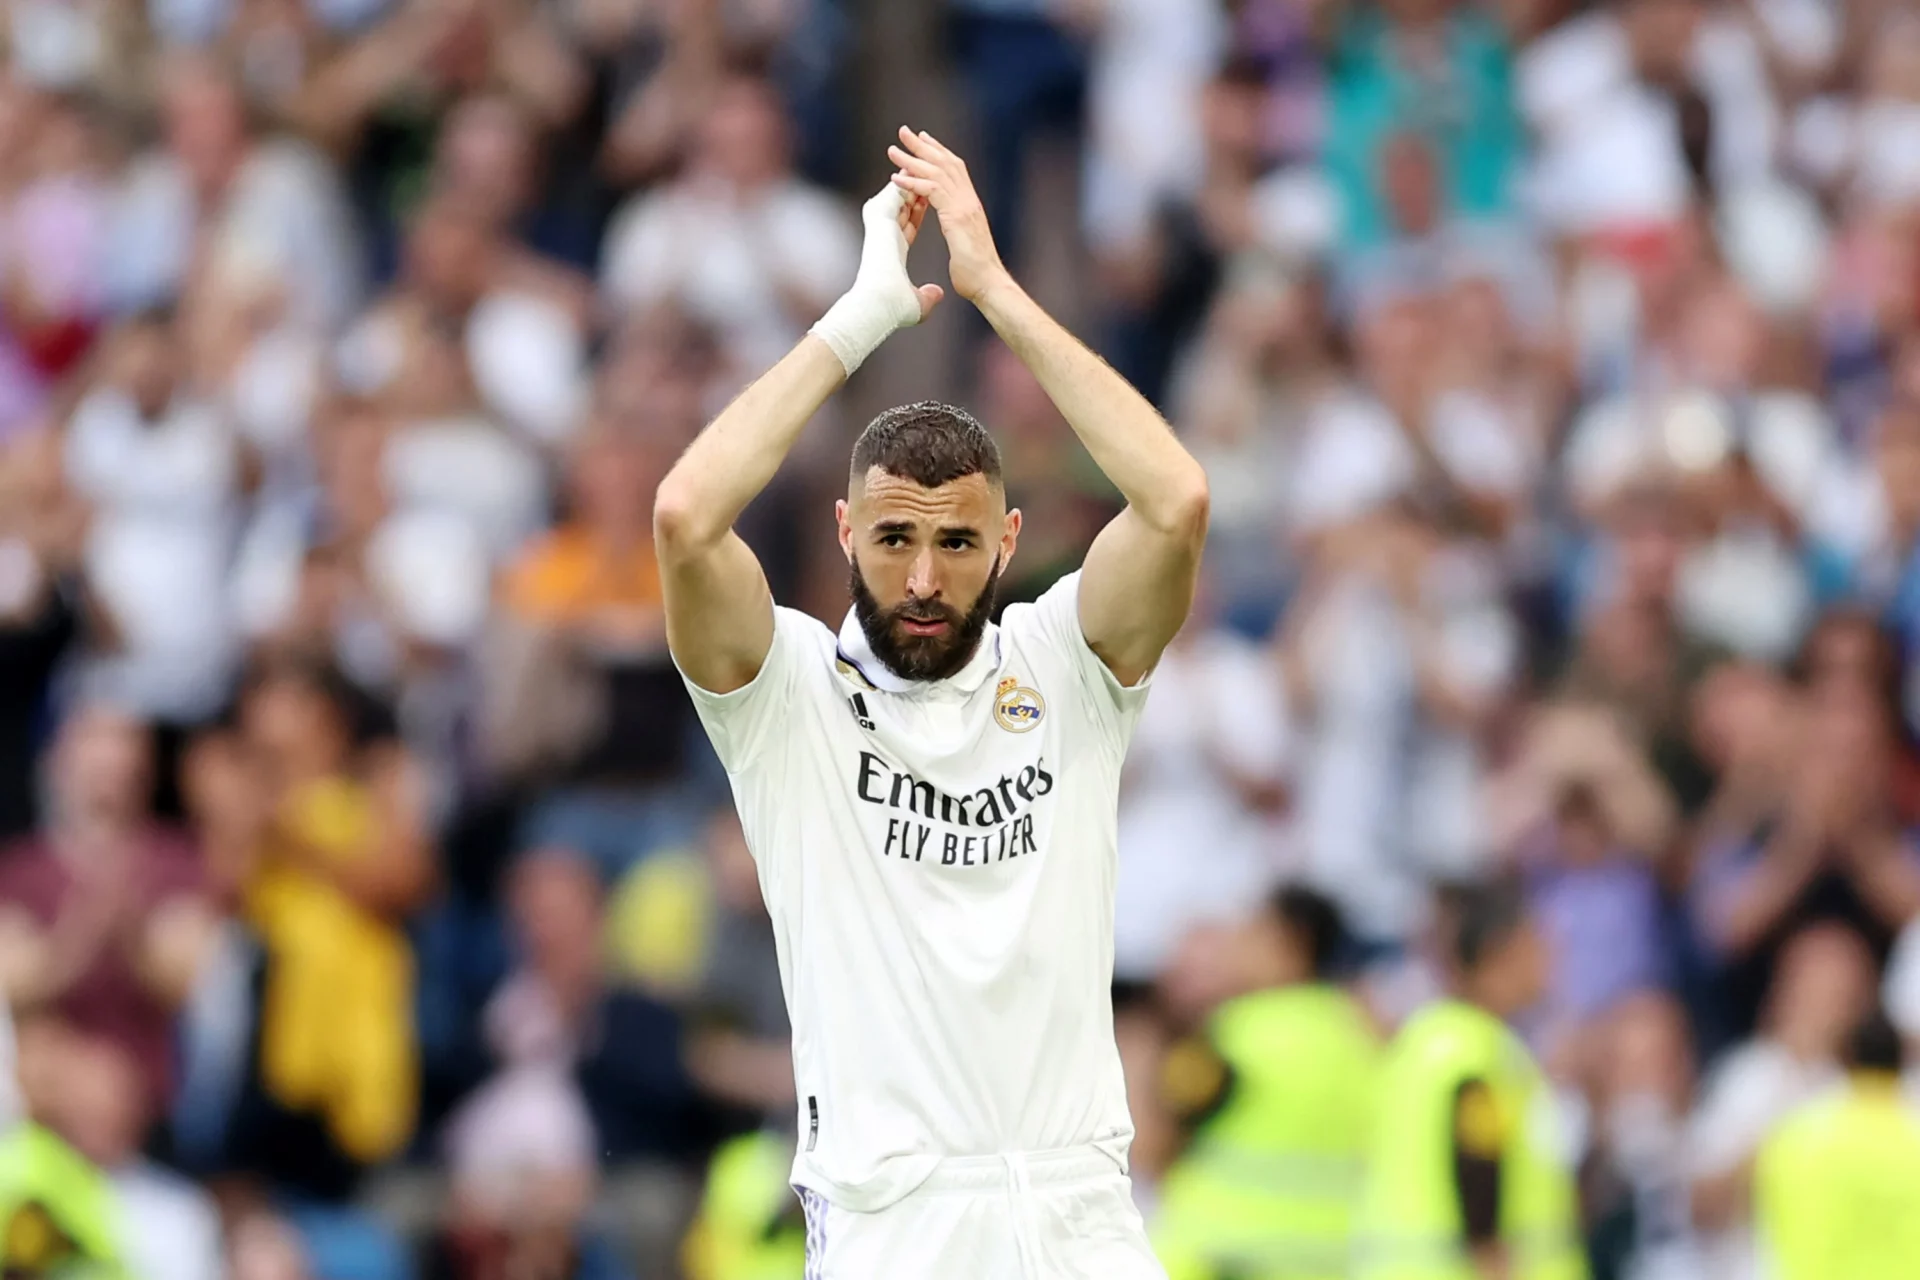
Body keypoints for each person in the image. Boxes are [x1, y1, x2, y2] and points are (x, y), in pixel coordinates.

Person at [653, 127, 1209, 1277]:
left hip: (1080, 1215)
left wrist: (993, 289)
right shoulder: (789, 696)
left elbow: (1173, 498)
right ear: (849, 532)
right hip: (895, 1226)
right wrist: (856, 323)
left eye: (956, 542)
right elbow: (685, 517)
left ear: (1007, 542)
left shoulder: (1066, 668)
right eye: (895, 536)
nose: (921, 577)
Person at [1353, 879, 1587, 1280]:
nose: (1551, 959)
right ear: (1500, 951)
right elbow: (1476, 1155)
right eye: (1537, 945)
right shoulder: (1475, 1049)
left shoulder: (1423, 1040)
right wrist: (1491, 1262)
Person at [1151, 886, 1381, 1280]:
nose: (1242, 945)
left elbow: (1158, 1139)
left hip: (1222, 1257)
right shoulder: (1360, 1036)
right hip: (1323, 1261)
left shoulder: (1239, 1032)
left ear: (1292, 944)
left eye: (1257, 932)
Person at [1754, 1012, 1920, 1280]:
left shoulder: (1797, 1138)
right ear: (1902, 1061)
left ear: (1844, 1058)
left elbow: (1771, 1230)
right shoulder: (1914, 1139)